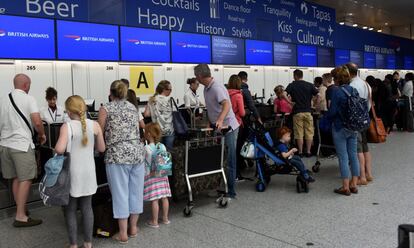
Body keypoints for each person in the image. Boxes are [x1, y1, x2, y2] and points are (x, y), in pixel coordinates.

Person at [98, 80, 146, 244]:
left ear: (110, 93)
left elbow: (99, 131)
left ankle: (123, 233)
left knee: (120, 194)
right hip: (137, 154)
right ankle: (133, 228)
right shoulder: (133, 107)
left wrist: (100, 149)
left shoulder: (106, 108)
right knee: (135, 191)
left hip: (117, 155)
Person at [55, 95, 105, 248]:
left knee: (70, 209)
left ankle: (73, 245)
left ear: (69, 111)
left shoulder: (67, 126)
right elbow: (102, 149)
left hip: (72, 173)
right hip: (89, 172)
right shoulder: (95, 125)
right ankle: (88, 243)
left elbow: (59, 149)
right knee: (87, 207)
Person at [0, 74, 46, 227]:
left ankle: (22, 209)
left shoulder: (3, 99)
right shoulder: (29, 99)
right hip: (21, 145)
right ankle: (20, 216)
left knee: (15, 178)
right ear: (26, 85)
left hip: (5, 145)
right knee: (26, 178)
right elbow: (37, 122)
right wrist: (42, 135)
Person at [195, 64, 240, 199]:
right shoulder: (206, 89)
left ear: (200, 76)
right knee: (219, 160)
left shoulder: (216, 87)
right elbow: (211, 108)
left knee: (230, 160)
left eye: (196, 76)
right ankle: (221, 187)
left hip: (229, 128)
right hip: (219, 128)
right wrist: (210, 123)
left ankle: (231, 192)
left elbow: (226, 104)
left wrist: (220, 120)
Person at [328, 66, 360, 196]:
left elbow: (333, 112)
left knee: (343, 157)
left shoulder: (337, 92)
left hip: (340, 127)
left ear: (337, 79)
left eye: (334, 78)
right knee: (353, 155)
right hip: (353, 127)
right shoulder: (354, 90)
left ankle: (345, 187)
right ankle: (354, 184)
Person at [346, 63, 373, 185]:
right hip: (365, 119)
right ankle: (368, 174)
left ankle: (361, 177)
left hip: (356, 122)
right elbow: (369, 103)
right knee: (365, 148)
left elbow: (351, 105)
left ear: (348, 72)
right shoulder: (366, 84)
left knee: (358, 149)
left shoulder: (352, 85)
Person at [143, 123, 171, 228]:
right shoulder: (162, 146)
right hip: (163, 175)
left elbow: (144, 162)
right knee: (164, 197)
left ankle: (154, 221)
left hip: (151, 176)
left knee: (155, 199)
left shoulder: (146, 148)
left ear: (149, 134)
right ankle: (165, 218)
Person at [286, 69, 319, 157]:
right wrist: (314, 104)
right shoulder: (309, 85)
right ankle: (308, 152)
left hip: (297, 112)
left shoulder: (292, 85)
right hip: (308, 112)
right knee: (309, 132)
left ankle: (300, 152)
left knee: (299, 133)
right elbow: (318, 95)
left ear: (295, 76)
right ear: (302, 75)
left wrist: (290, 103)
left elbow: (283, 94)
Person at [144, 81, 174, 150]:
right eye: (170, 89)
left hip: (157, 130)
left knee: (158, 153)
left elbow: (146, 114)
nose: (171, 91)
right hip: (169, 130)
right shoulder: (169, 100)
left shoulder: (152, 99)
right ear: (164, 90)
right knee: (169, 153)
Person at [227, 75, 246, 180]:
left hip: (225, 123)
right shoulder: (239, 95)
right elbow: (242, 113)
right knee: (234, 149)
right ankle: (234, 175)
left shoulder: (225, 93)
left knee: (227, 149)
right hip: (235, 123)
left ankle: (227, 174)